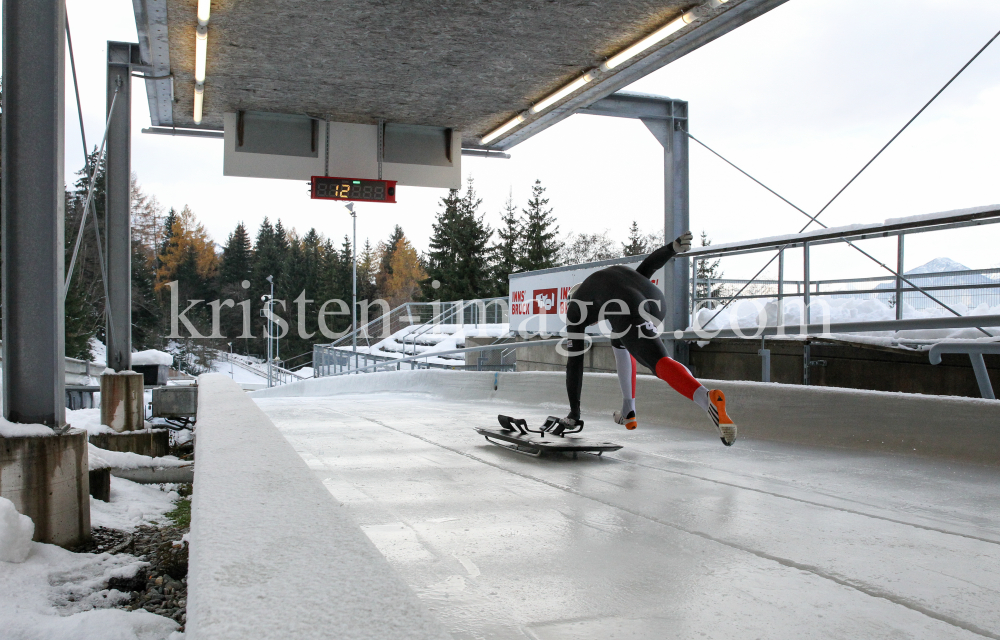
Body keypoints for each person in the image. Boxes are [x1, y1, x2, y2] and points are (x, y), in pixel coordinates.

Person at [562, 231, 737, 446]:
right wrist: (671, 249)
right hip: (654, 300)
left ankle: (705, 397)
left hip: (627, 305)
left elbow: (574, 363)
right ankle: (629, 409)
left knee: (658, 362)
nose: (592, 323)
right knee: (619, 339)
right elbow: (647, 268)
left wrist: (574, 412)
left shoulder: (574, 309)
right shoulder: (603, 284)